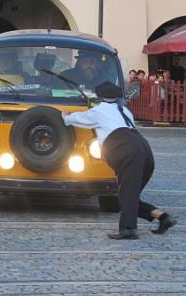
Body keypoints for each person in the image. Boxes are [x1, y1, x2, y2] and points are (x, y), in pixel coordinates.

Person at [62, 81, 177, 239]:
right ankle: (164, 218)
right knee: (126, 196)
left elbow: (75, 119)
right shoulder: (124, 110)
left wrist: (65, 115)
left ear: (99, 97)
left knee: (126, 195)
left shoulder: (99, 111)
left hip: (125, 148)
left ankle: (128, 230)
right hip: (144, 148)